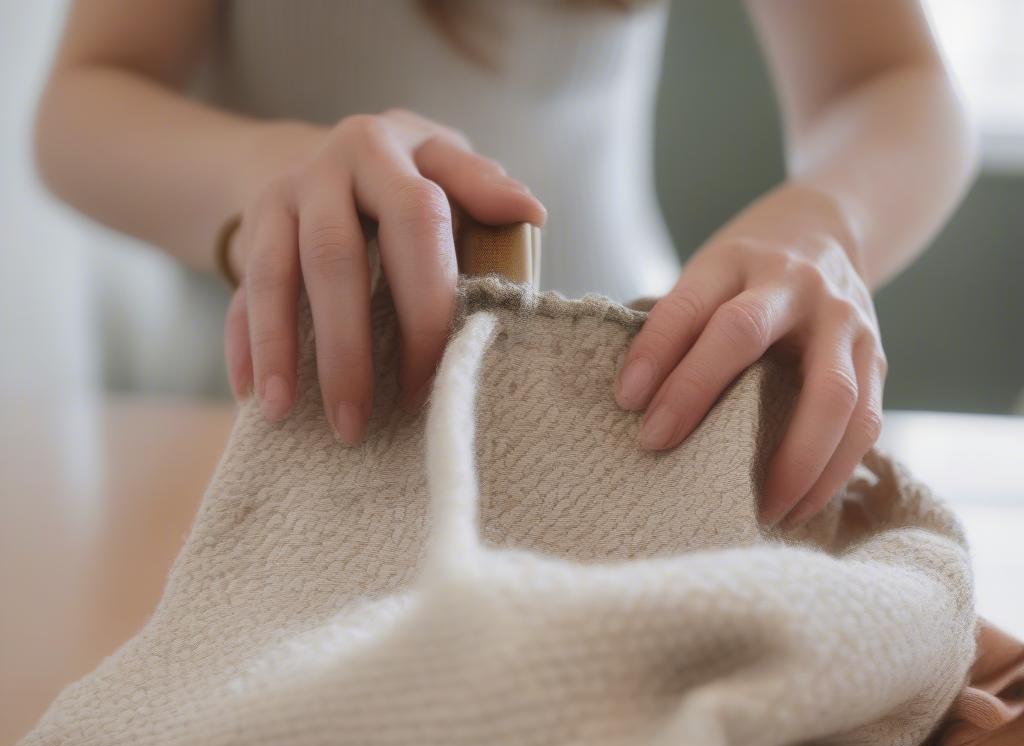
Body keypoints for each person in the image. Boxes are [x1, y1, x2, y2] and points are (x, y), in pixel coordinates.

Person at [33, 0, 975, 527]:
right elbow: (80, 102)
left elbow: (889, 77)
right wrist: (262, 170)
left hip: (619, 407)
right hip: (249, 422)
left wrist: (826, 223)